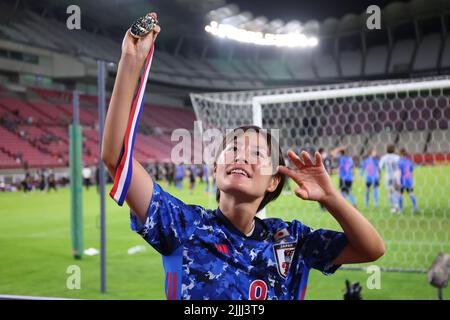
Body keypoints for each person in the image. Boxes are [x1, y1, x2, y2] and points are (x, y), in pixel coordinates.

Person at [101, 13, 384, 300]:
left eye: (257, 153)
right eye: (233, 148)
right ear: (215, 169)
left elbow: (371, 249)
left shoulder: (290, 240)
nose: (241, 157)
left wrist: (331, 197)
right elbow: (116, 158)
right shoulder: (183, 225)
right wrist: (131, 62)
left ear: (274, 181)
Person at [379, 144, 401, 214]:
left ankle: (392, 208)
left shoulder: (384, 158)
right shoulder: (397, 157)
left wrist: (380, 175)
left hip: (387, 177)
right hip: (396, 176)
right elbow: (400, 167)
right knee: (397, 191)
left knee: (390, 192)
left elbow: (379, 167)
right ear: (394, 149)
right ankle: (397, 205)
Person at [398, 148, 418, 214]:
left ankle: (400, 210)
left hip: (402, 181)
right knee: (411, 194)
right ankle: (415, 208)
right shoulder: (409, 162)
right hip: (408, 181)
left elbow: (399, 172)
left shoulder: (399, 162)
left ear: (401, 154)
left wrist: (398, 181)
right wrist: (412, 181)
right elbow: (412, 172)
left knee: (400, 194)